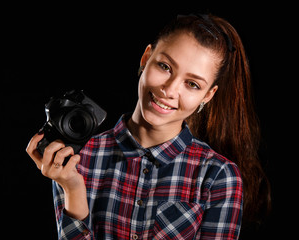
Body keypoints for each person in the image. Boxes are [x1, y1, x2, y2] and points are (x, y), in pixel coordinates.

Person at [26, 13, 270, 239]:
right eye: (164, 66)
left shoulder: (218, 176)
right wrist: (72, 188)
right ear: (146, 57)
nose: (170, 90)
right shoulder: (77, 157)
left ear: (208, 95)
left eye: (192, 84)